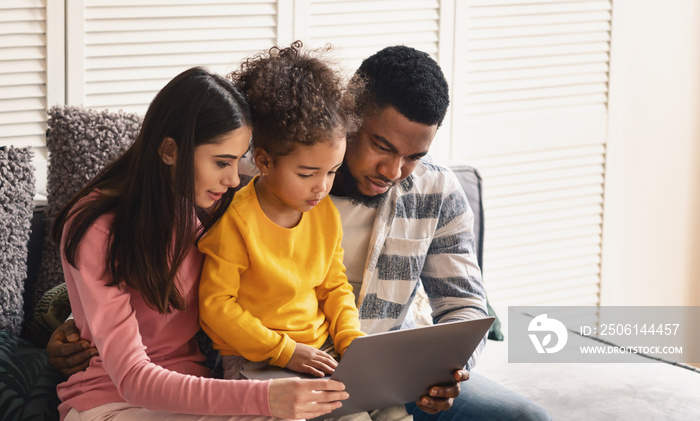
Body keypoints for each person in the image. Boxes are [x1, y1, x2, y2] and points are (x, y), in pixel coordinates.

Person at [49, 47, 552, 420]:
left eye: (414, 156)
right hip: (270, 366)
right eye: (381, 145)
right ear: (350, 120)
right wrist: (66, 324)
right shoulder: (248, 185)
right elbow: (142, 277)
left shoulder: (434, 193)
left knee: (528, 418)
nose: (396, 169)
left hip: (381, 367)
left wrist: (449, 369)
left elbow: (465, 306)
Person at [50, 67, 348, 421]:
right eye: (222, 162)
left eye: (239, 162)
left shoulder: (203, 203)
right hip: (113, 400)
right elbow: (132, 377)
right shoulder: (96, 228)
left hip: (195, 393)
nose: (234, 177)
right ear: (169, 151)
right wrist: (266, 398)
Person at [197, 42, 365, 381]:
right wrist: (284, 351)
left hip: (319, 349)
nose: (322, 187)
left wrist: (351, 341)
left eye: (332, 171)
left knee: (389, 408)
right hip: (256, 357)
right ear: (264, 161)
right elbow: (216, 307)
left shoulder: (324, 213)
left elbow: (334, 287)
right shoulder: (236, 220)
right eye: (307, 174)